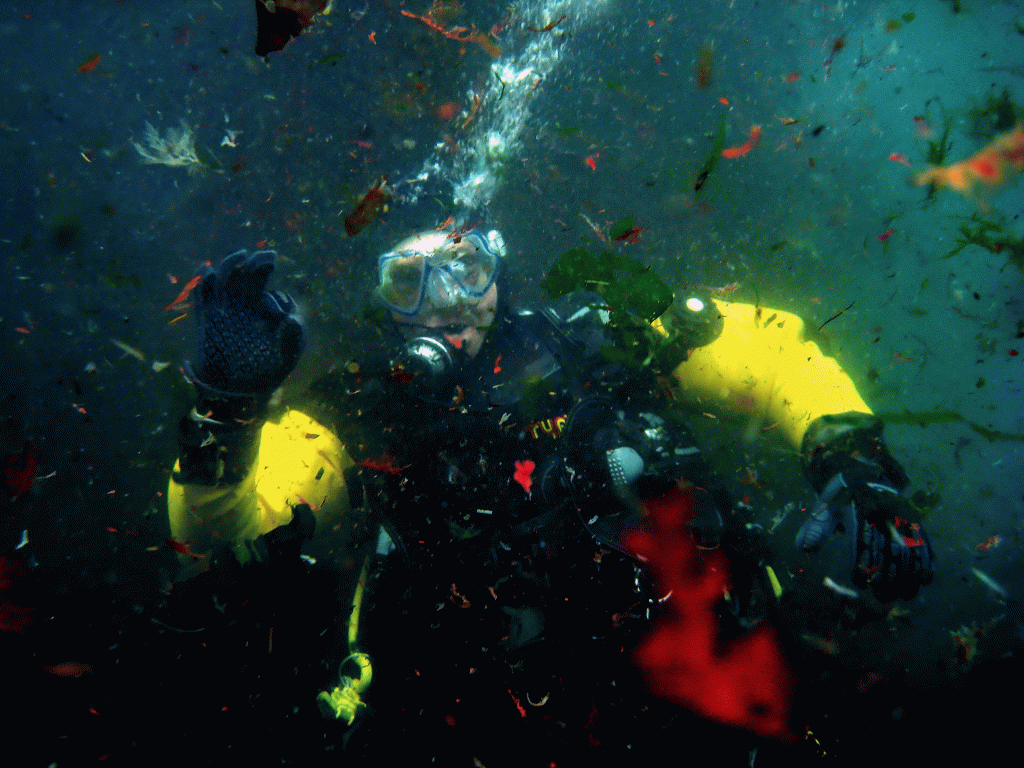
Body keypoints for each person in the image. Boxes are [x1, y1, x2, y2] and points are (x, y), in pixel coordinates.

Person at [164, 225, 933, 736]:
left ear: (498, 267)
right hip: (494, 721)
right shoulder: (361, 409)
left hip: (719, 681)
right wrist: (224, 415)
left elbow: (766, 354)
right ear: (384, 304)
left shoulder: (596, 337)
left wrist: (851, 459)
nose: (449, 299)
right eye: (410, 280)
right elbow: (228, 523)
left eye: (465, 266)